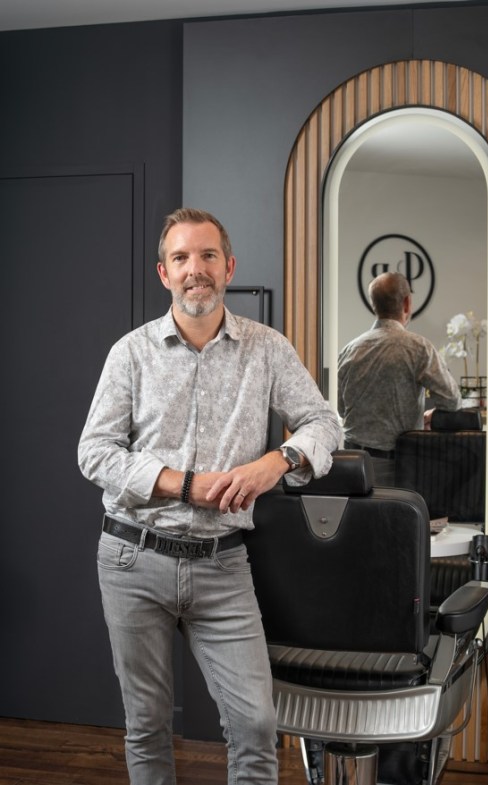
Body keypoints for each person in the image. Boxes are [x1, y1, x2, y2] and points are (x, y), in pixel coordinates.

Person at [78, 207, 341, 785]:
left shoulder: (267, 349)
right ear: (164, 273)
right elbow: (94, 452)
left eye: (207, 256)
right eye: (181, 258)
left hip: (223, 564)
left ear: (229, 267)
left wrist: (277, 461)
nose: (194, 269)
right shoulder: (131, 353)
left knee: (255, 725)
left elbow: (325, 424)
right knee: (147, 726)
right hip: (132, 558)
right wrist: (182, 483)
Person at [337, 271, 461, 484]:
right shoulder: (419, 349)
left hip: (352, 466)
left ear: (374, 305)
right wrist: (431, 414)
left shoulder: (349, 350)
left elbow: (341, 409)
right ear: (407, 303)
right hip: (398, 468)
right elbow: (452, 401)